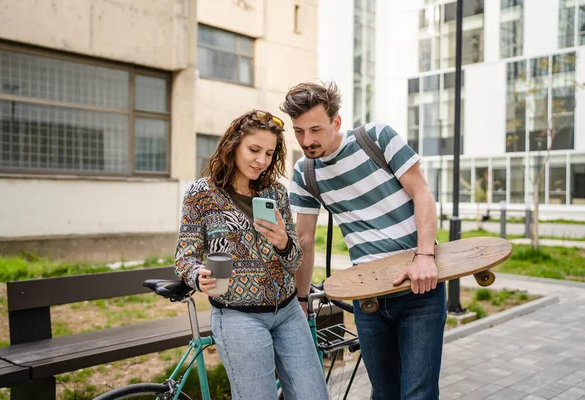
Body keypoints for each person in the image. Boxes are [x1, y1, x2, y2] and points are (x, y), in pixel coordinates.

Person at [281, 82, 445, 400]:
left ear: (336, 122)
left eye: (315, 129)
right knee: (383, 394)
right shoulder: (305, 172)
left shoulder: (376, 138)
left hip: (419, 289)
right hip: (367, 297)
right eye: (299, 131)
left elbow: (422, 192)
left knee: (419, 394)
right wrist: (301, 301)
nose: (307, 140)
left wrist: (425, 256)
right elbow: (304, 240)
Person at [174, 109, 329, 400]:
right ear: (233, 146)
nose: (262, 161)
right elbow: (185, 256)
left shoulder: (276, 194)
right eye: (254, 150)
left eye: (269, 153)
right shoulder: (201, 194)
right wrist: (197, 276)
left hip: (288, 312)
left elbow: (295, 260)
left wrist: (284, 241)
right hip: (237, 317)